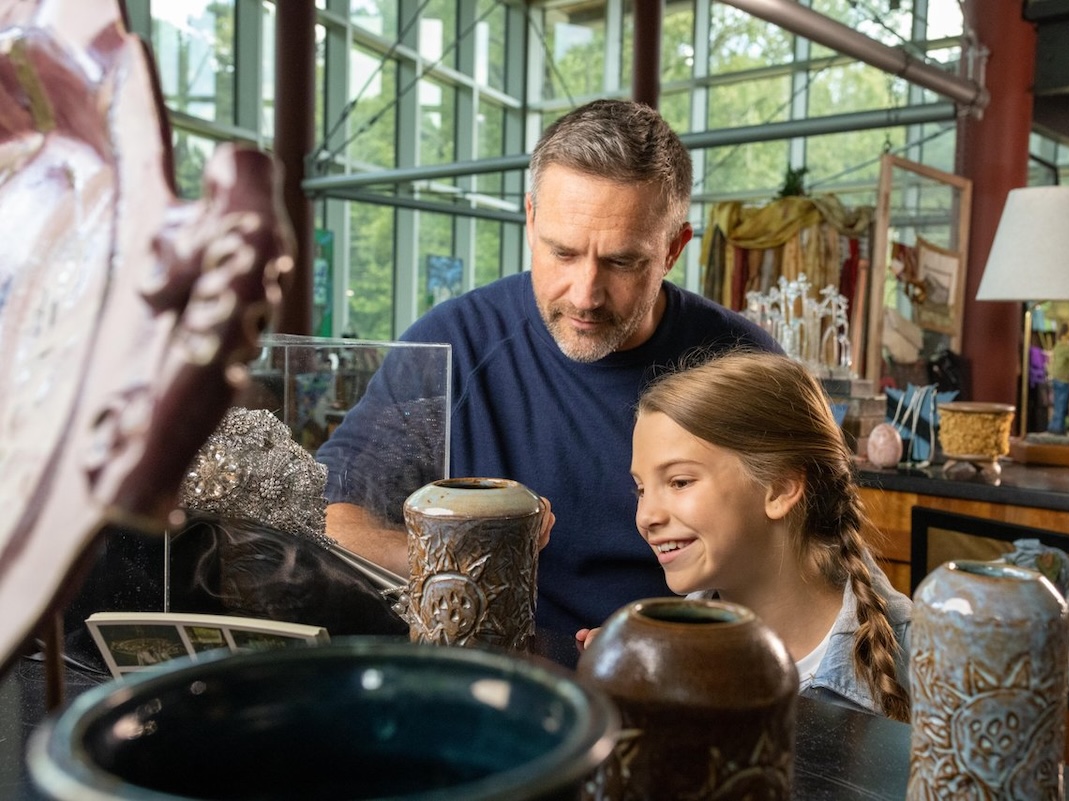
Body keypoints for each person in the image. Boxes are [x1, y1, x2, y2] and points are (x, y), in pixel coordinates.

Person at [317, 99, 780, 636]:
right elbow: (331, 517)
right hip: (497, 678)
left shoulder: (743, 364)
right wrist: (462, 559)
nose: (585, 294)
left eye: (622, 262)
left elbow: (810, 563)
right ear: (531, 219)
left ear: (674, 248)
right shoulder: (452, 345)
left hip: (683, 674)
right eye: (563, 253)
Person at [580, 350, 910, 720]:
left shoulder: (929, 659)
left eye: (679, 482)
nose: (646, 517)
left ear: (780, 489)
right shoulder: (660, 651)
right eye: (641, 489)